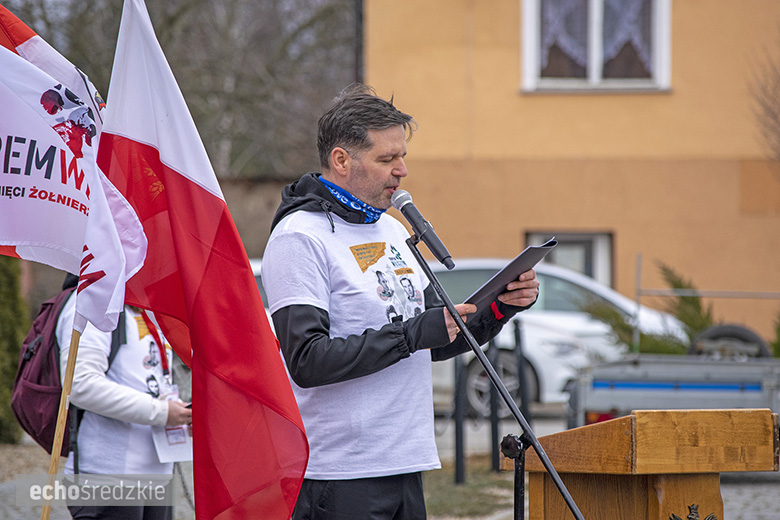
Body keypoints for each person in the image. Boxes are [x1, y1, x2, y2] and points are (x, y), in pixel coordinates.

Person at [261, 83, 540, 519]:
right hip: (338, 474)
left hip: (405, 461)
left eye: (402, 157)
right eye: (387, 159)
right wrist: (413, 335)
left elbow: (439, 338)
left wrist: (500, 308)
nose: (402, 171)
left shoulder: (391, 229)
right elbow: (307, 360)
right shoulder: (300, 237)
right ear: (341, 160)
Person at [55, 274, 192, 520]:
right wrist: (162, 413)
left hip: (157, 477)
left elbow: (150, 381)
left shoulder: (148, 307)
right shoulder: (93, 302)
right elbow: (80, 383)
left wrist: (181, 415)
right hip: (108, 476)